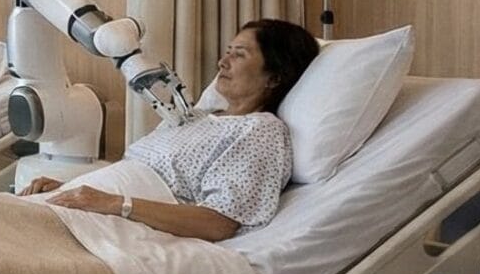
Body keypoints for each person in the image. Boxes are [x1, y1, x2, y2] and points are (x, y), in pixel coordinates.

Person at [23, 19, 319, 240]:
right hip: (93, 210)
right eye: (227, 52)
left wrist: (113, 203)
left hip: (121, 228)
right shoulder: (195, 116)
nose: (222, 62)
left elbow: (219, 222)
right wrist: (73, 185)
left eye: (239, 54)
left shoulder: (259, 131)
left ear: (274, 78)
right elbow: (136, 172)